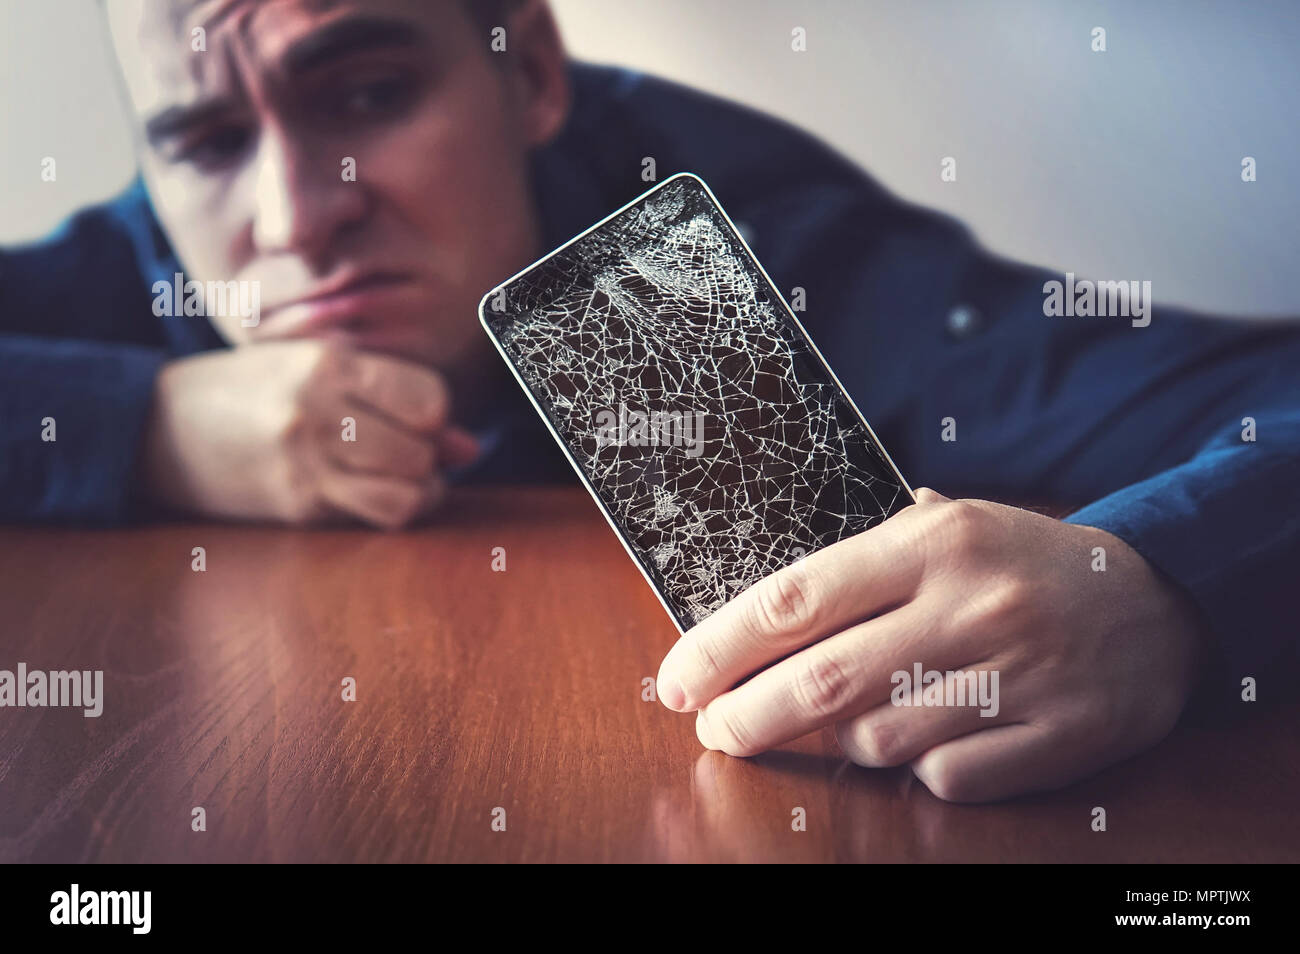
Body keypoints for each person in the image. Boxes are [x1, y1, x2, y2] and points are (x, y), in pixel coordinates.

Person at [2, 0, 1296, 802]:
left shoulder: (752, 259)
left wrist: (1164, 584)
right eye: (209, 143)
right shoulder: (141, 265)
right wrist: (153, 427)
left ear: (535, 73)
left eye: (370, 93)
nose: (294, 217)